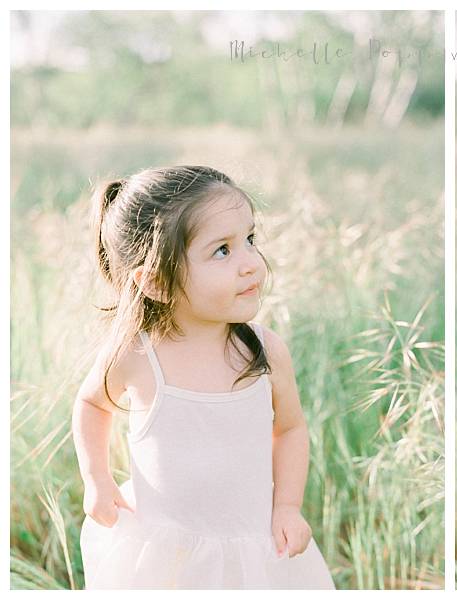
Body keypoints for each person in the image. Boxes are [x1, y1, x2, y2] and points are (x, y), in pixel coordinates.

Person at [71, 165, 335, 589]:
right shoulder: (138, 355)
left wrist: (287, 506)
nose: (251, 264)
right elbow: (91, 403)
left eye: (249, 239)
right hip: (165, 556)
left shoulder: (264, 353)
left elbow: (289, 429)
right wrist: (96, 479)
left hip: (253, 550)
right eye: (222, 251)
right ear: (155, 282)